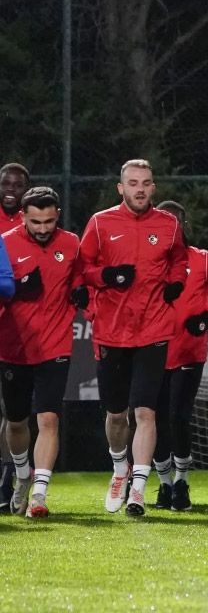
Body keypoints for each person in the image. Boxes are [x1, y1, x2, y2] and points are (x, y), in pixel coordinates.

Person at [79, 159, 188, 516]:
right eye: (133, 183)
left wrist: (176, 282)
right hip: (112, 331)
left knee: (146, 410)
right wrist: (107, 275)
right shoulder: (100, 223)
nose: (140, 189)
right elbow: (82, 270)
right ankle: (119, 469)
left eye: (146, 182)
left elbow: (179, 259)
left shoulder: (168, 224)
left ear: (154, 187)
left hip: (153, 330)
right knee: (116, 414)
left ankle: (139, 488)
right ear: (120, 188)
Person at [0, 187, 78, 517]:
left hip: (55, 345)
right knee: (16, 423)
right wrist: (15, 291)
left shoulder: (72, 243)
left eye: (48, 221)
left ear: (58, 214)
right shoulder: (4, 242)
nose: (43, 228)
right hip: (13, 348)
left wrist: (83, 292)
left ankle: (40, 494)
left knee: (48, 418)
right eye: (36, 222)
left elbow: (81, 279)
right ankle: (21, 476)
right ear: (23, 217)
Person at [151, 201, 208, 512]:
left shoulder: (202, 259)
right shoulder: (150, 260)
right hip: (152, 351)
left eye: (177, 221)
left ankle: (181, 481)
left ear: (183, 225)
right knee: (154, 419)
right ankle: (163, 484)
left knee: (178, 417)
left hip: (187, 350)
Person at [0, 161, 30, 508]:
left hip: (20, 332)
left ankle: (9, 474)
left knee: (12, 412)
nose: (11, 188)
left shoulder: (34, 222)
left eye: (18, 184)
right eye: (6, 182)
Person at [0, 162, 30, 233]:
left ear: (27, 189)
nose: (10, 189)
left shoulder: (36, 219)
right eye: (5, 184)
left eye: (18, 185)